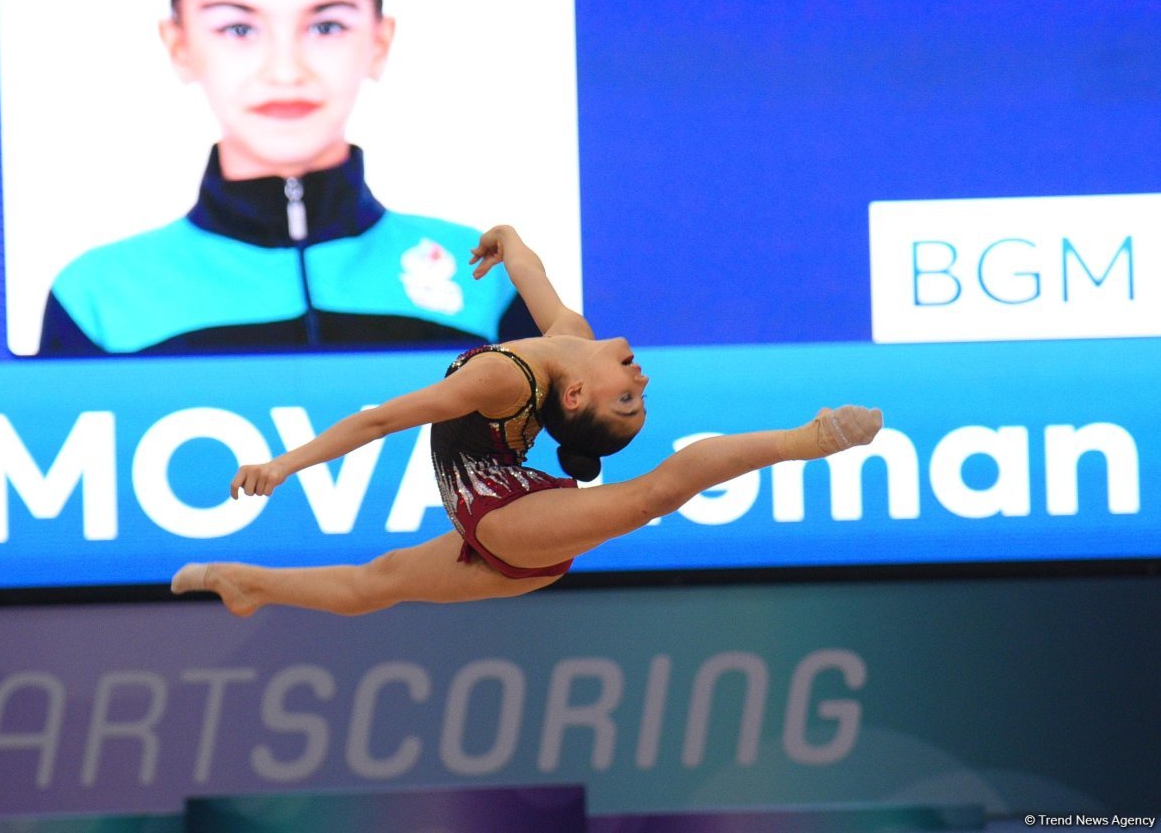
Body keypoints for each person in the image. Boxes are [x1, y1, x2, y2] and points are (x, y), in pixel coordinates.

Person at [171, 224, 883, 616]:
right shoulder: (569, 338)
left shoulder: (499, 381)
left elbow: (380, 421)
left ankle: (808, 439)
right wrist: (507, 241)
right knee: (375, 583)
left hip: (505, 519)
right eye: (636, 395)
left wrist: (283, 464)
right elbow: (534, 276)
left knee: (652, 495)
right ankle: (248, 582)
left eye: (627, 399)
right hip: (510, 535)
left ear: (573, 400)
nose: (641, 379)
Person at [37, 0, 536, 357]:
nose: (284, 70)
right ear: (180, 46)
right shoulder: (98, 298)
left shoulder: (485, 281)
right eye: (237, 28)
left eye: (325, 25)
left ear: (379, 43)